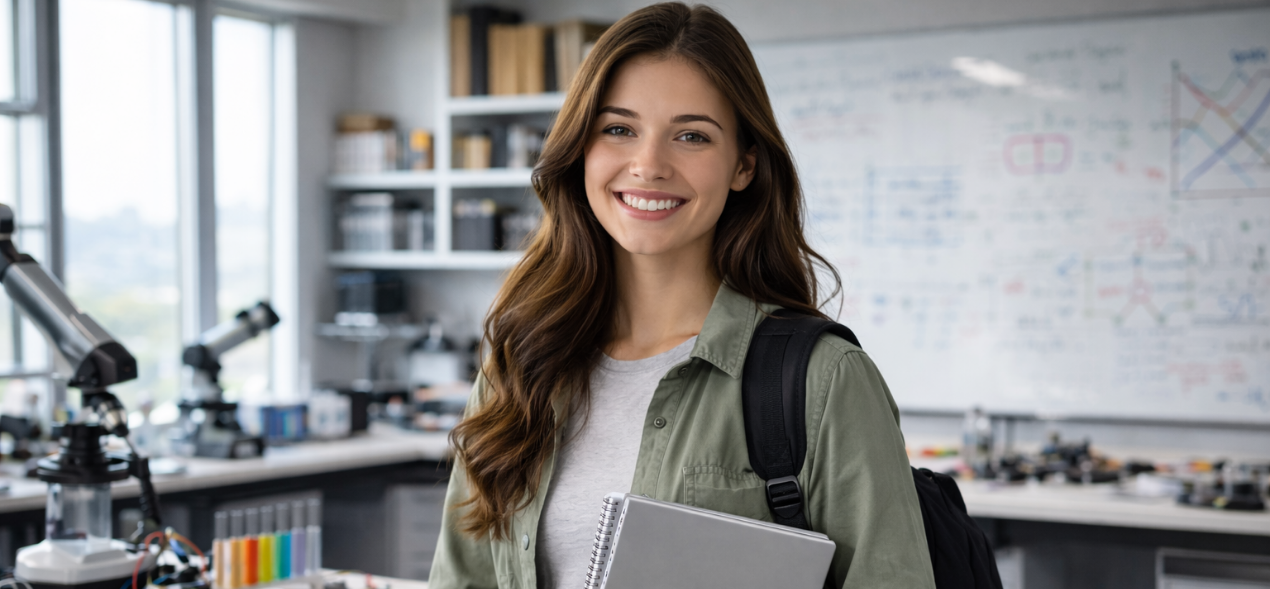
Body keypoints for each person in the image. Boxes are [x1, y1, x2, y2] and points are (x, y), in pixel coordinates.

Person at [428, 3, 935, 588]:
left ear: (743, 164)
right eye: (618, 129)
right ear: (582, 149)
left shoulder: (826, 380)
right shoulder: (519, 364)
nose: (648, 166)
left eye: (691, 136)